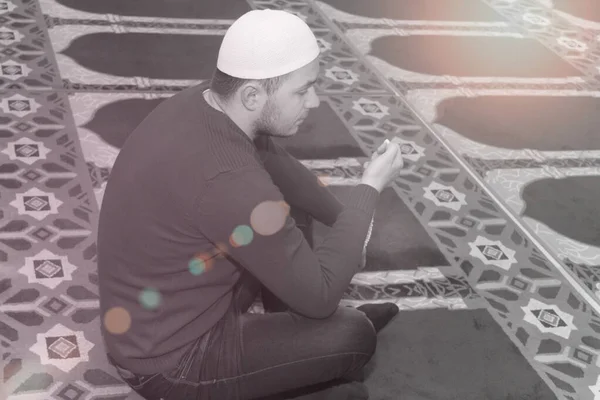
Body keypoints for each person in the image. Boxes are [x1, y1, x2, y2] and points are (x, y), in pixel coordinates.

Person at [97, 9, 405, 400]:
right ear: (252, 94)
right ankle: (301, 356)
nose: (315, 101)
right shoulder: (229, 180)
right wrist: (368, 190)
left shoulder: (206, 102)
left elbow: (277, 163)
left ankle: (294, 338)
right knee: (354, 336)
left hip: (163, 310)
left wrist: (348, 226)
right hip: (172, 363)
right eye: (302, 90)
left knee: (288, 205)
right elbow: (322, 294)